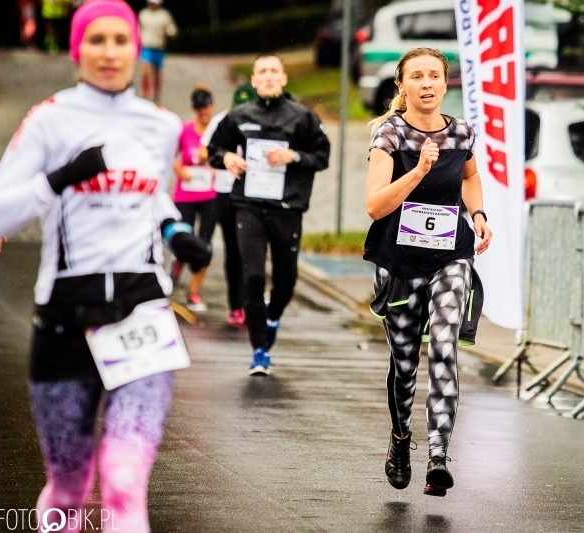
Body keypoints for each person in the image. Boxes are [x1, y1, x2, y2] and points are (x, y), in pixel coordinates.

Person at [0, 1, 210, 531]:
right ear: (77, 50)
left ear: (137, 49)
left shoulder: (159, 126)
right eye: (96, 40)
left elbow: (149, 195)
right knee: (69, 488)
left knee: (124, 481)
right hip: (65, 316)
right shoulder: (49, 119)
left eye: (120, 40)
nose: (109, 53)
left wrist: (174, 230)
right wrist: (59, 178)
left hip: (142, 314)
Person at [363, 47, 492, 497]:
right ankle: (401, 439)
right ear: (402, 85)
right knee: (404, 366)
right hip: (399, 263)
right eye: (416, 76)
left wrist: (478, 214)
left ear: (445, 81)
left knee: (443, 343)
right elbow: (375, 205)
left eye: (434, 75)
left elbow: (470, 177)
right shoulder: (390, 135)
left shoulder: (461, 132)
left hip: (449, 254)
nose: (427, 83)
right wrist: (418, 170)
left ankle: (438, 454)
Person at [208, 54, 331, 376]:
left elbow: (322, 156)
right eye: (262, 72)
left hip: (287, 208)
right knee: (253, 276)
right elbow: (214, 150)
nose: (268, 76)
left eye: (274, 71)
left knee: (286, 280)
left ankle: (273, 315)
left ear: (284, 78)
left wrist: (293, 156)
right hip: (248, 206)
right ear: (253, 80)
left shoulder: (302, 116)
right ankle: (259, 350)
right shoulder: (239, 116)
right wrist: (227, 158)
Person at [199, 82, 256, 327]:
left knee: (253, 249)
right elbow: (205, 151)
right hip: (226, 191)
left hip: (255, 192)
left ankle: (252, 301)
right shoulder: (222, 120)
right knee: (233, 248)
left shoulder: (263, 120)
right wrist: (226, 156)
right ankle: (236, 305)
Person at [169, 84, 218, 312]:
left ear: (212, 106)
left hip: (210, 194)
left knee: (204, 245)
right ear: (193, 110)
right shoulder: (185, 130)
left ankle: (194, 292)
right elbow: (169, 156)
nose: (203, 113)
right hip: (186, 193)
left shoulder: (218, 130)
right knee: (184, 239)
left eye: (206, 108)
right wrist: (179, 170)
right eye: (199, 109)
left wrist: (217, 164)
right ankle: (175, 271)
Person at [137, 0, 176, 103]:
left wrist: (167, 31)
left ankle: (156, 97)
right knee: (145, 71)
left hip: (158, 47)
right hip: (146, 47)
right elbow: (137, 28)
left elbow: (172, 30)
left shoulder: (164, 15)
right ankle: (145, 96)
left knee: (157, 74)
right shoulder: (143, 14)